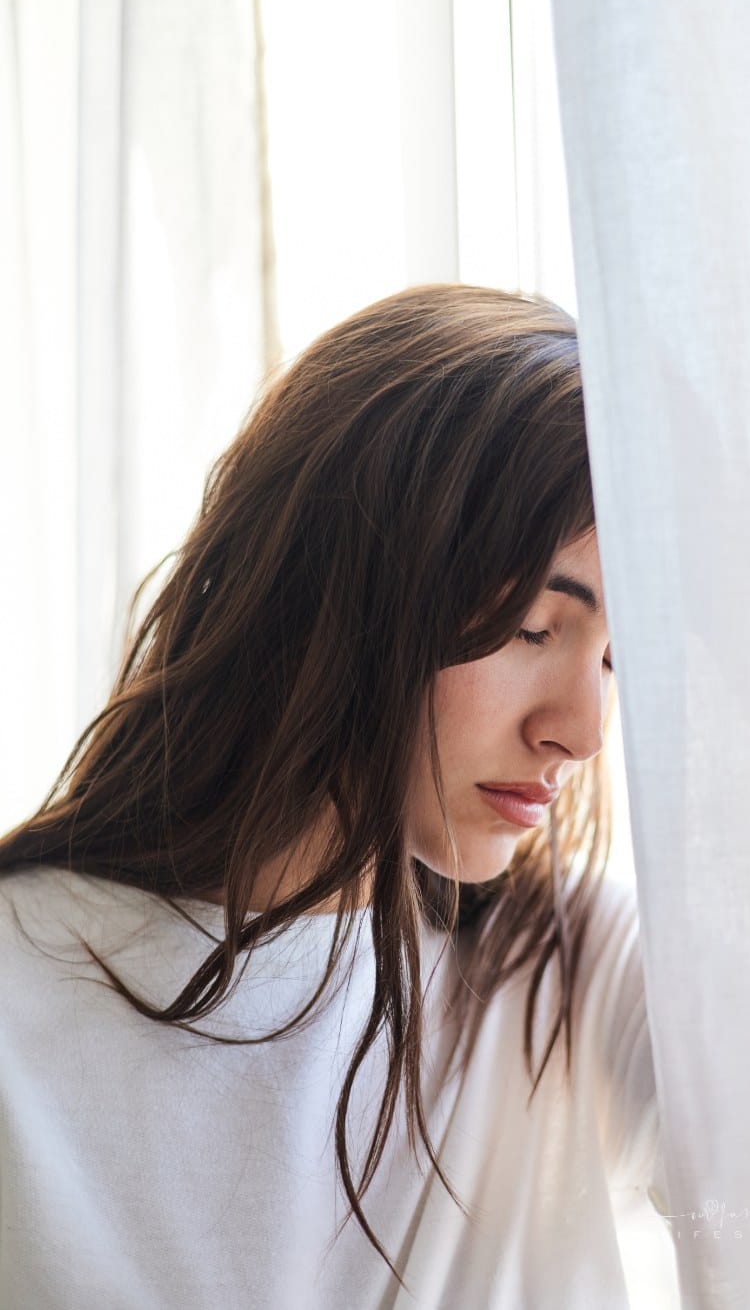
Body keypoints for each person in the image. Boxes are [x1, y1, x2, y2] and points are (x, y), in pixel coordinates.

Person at [0, 284, 668, 1308]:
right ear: (345, 586)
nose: (580, 730)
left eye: (620, 658)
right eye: (536, 627)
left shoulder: (564, 970)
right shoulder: (22, 988)